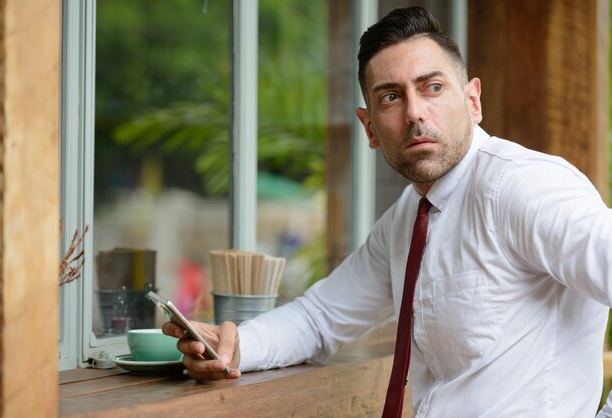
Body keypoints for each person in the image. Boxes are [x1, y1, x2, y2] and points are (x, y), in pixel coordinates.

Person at [163, 6, 612, 417]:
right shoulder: (409, 217)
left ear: (472, 101)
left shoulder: (523, 186)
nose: (416, 113)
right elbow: (320, 318)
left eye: (432, 87)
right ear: (370, 127)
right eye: (391, 97)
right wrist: (236, 347)